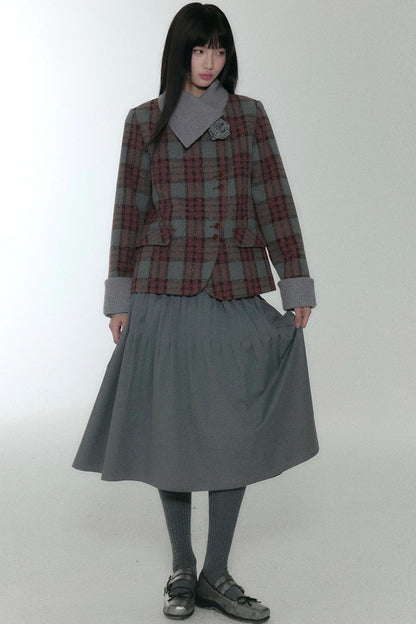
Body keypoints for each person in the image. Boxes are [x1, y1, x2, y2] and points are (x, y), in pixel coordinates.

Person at [73, 3, 319, 621]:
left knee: (232, 431)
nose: (210, 62)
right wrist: (119, 299)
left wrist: (295, 283)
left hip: (233, 287)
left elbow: (274, 199)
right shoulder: (143, 121)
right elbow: (129, 210)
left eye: (220, 49)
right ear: (179, 53)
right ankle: (183, 568)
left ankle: (217, 572)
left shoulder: (249, 117)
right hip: (162, 290)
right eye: (199, 49)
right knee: (172, 433)